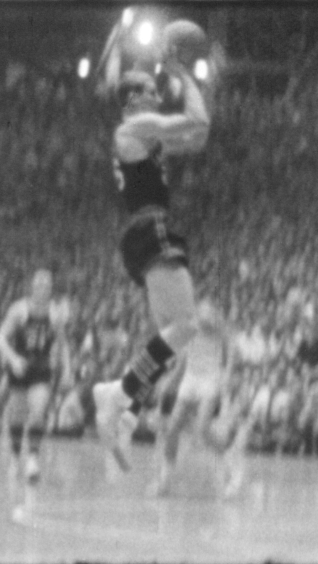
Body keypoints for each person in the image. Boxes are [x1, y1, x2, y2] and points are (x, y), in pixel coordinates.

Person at [91, 20, 213, 474]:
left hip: (143, 232)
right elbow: (197, 121)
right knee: (185, 324)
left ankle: (125, 410)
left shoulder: (144, 135)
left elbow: (198, 135)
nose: (156, 95)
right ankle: (117, 394)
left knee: (171, 339)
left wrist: (181, 73)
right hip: (149, 227)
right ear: (133, 99)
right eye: (149, 91)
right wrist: (180, 71)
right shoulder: (136, 126)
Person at [148, 299, 242, 498]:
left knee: (202, 429)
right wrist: (168, 383)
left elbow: (232, 344)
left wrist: (227, 371)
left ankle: (233, 471)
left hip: (210, 379)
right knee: (172, 429)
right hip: (191, 379)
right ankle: (165, 482)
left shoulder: (211, 321)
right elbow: (182, 363)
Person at [0, 269, 71, 484]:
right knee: (17, 414)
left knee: (38, 411)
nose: (42, 289)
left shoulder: (56, 313)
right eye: (39, 284)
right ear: (32, 287)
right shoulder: (19, 310)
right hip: (20, 366)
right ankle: (14, 456)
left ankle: (33, 459)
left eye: (47, 285)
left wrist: (67, 369)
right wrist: (12, 359)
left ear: (50, 289)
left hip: (41, 367)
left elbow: (63, 344)